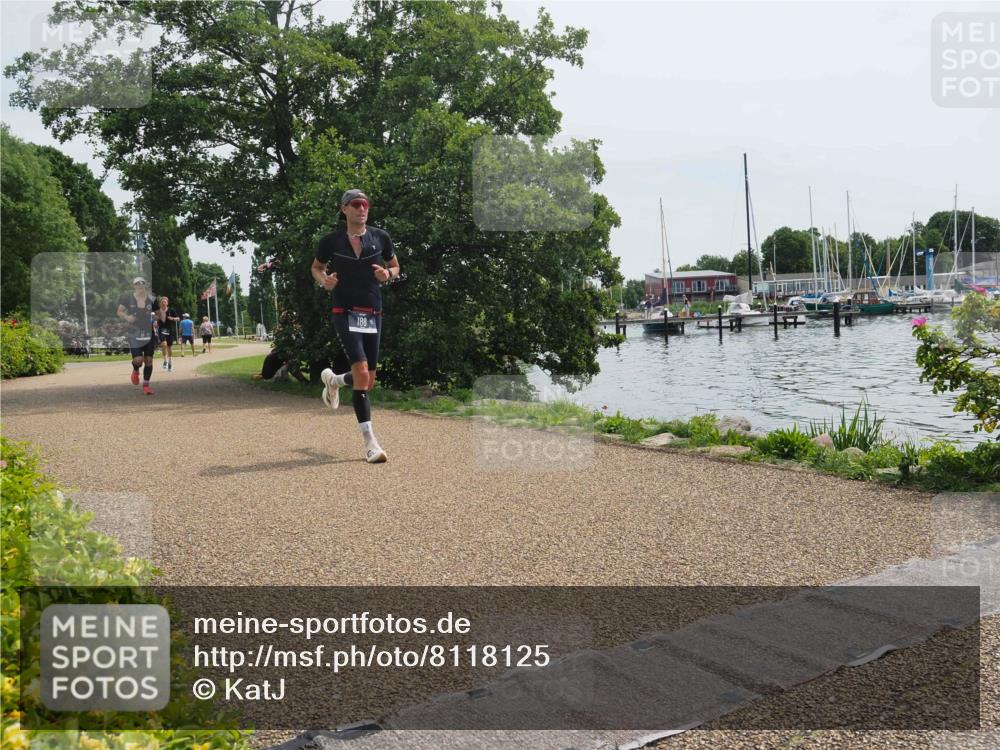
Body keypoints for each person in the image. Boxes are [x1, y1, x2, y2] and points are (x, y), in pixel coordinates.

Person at [313, 188, 399, 464]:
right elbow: (316, 268)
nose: (362, 208)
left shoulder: (380, 237)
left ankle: (335, 380)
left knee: (367, 381)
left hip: (373, 312)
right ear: (344, 209)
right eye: (356, 204)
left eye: (365, 204)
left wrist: (388, 274)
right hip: (344, 310)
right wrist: (324, 281)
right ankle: (371, 443)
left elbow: (395, 266)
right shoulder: (331, 241)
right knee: (361, 372)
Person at [116, 277, 157, 395]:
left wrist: (157, 317)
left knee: (148, 360)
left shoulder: (151, 299)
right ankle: (135, 369)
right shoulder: (127, 298)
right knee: (138, 360)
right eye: (137, 284)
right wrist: (127, 317)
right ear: (134, 286)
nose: (140, 286)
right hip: (134, 332)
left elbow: (158, 313)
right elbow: (119, 311)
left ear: (145, 286)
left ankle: (146, 385)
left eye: (142, 284)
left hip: (149, 332)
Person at [155, 296, 179, 370]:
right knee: (164, 345)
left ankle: (170, 362)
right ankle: (165, 360)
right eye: (162, 302)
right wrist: (156, 320)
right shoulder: (158, 311)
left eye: (165, 302)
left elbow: (178, 318)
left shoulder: (171, 310)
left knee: (169, 346)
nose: (163, 303)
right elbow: (155, 321)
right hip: (161, 329)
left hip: (170, 330)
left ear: (167, 303)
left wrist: (173, 318)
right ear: (160, 303)